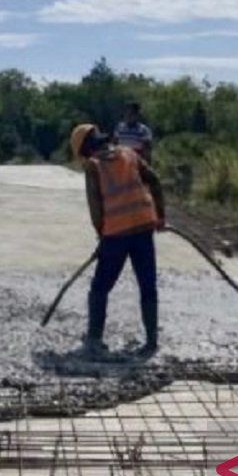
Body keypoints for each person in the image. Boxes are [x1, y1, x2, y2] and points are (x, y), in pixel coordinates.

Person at [71, 123, 165, 357]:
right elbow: (154, 181)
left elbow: (96, 209)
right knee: (148, 286)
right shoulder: (129, 153)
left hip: (116, 234)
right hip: (144, 227)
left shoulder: (94, 166)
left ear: (85, 150)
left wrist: (102, 238)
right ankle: (152, 342)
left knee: (100, 288)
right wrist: (160, 216)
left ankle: (94, 340)